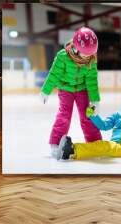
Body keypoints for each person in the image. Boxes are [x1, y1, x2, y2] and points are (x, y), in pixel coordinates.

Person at [40, 27, 102, 159]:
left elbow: (92, 81)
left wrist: (95, 100)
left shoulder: (91, 60)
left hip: (82, 89)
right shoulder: (63, 56)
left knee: (87, 116)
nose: (88, 57)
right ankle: (55, 144)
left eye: (91, 54)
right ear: (76, 48)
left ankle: (95, 143)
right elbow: (54, 75)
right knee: (64, 116)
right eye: (85, 54)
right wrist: (46, 91)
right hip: (65, 89)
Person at [58, 91, 121, 163]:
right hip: (116, 146)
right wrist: (93, 115)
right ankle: (71, 150)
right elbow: (104, 126)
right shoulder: (118, 115)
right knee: (102, 145)